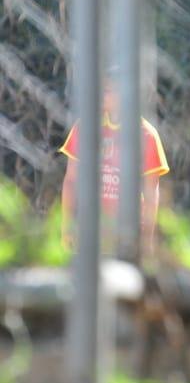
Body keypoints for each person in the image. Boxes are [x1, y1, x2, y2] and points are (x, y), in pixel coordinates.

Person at [59, 77, 169, 254]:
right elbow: (71, 180)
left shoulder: (146, 134)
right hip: (89, 230)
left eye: (108, 90)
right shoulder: (85, 127)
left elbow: (151, 192)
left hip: (128, 234)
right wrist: (67, 227)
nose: (100, 94)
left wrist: (147, 239)